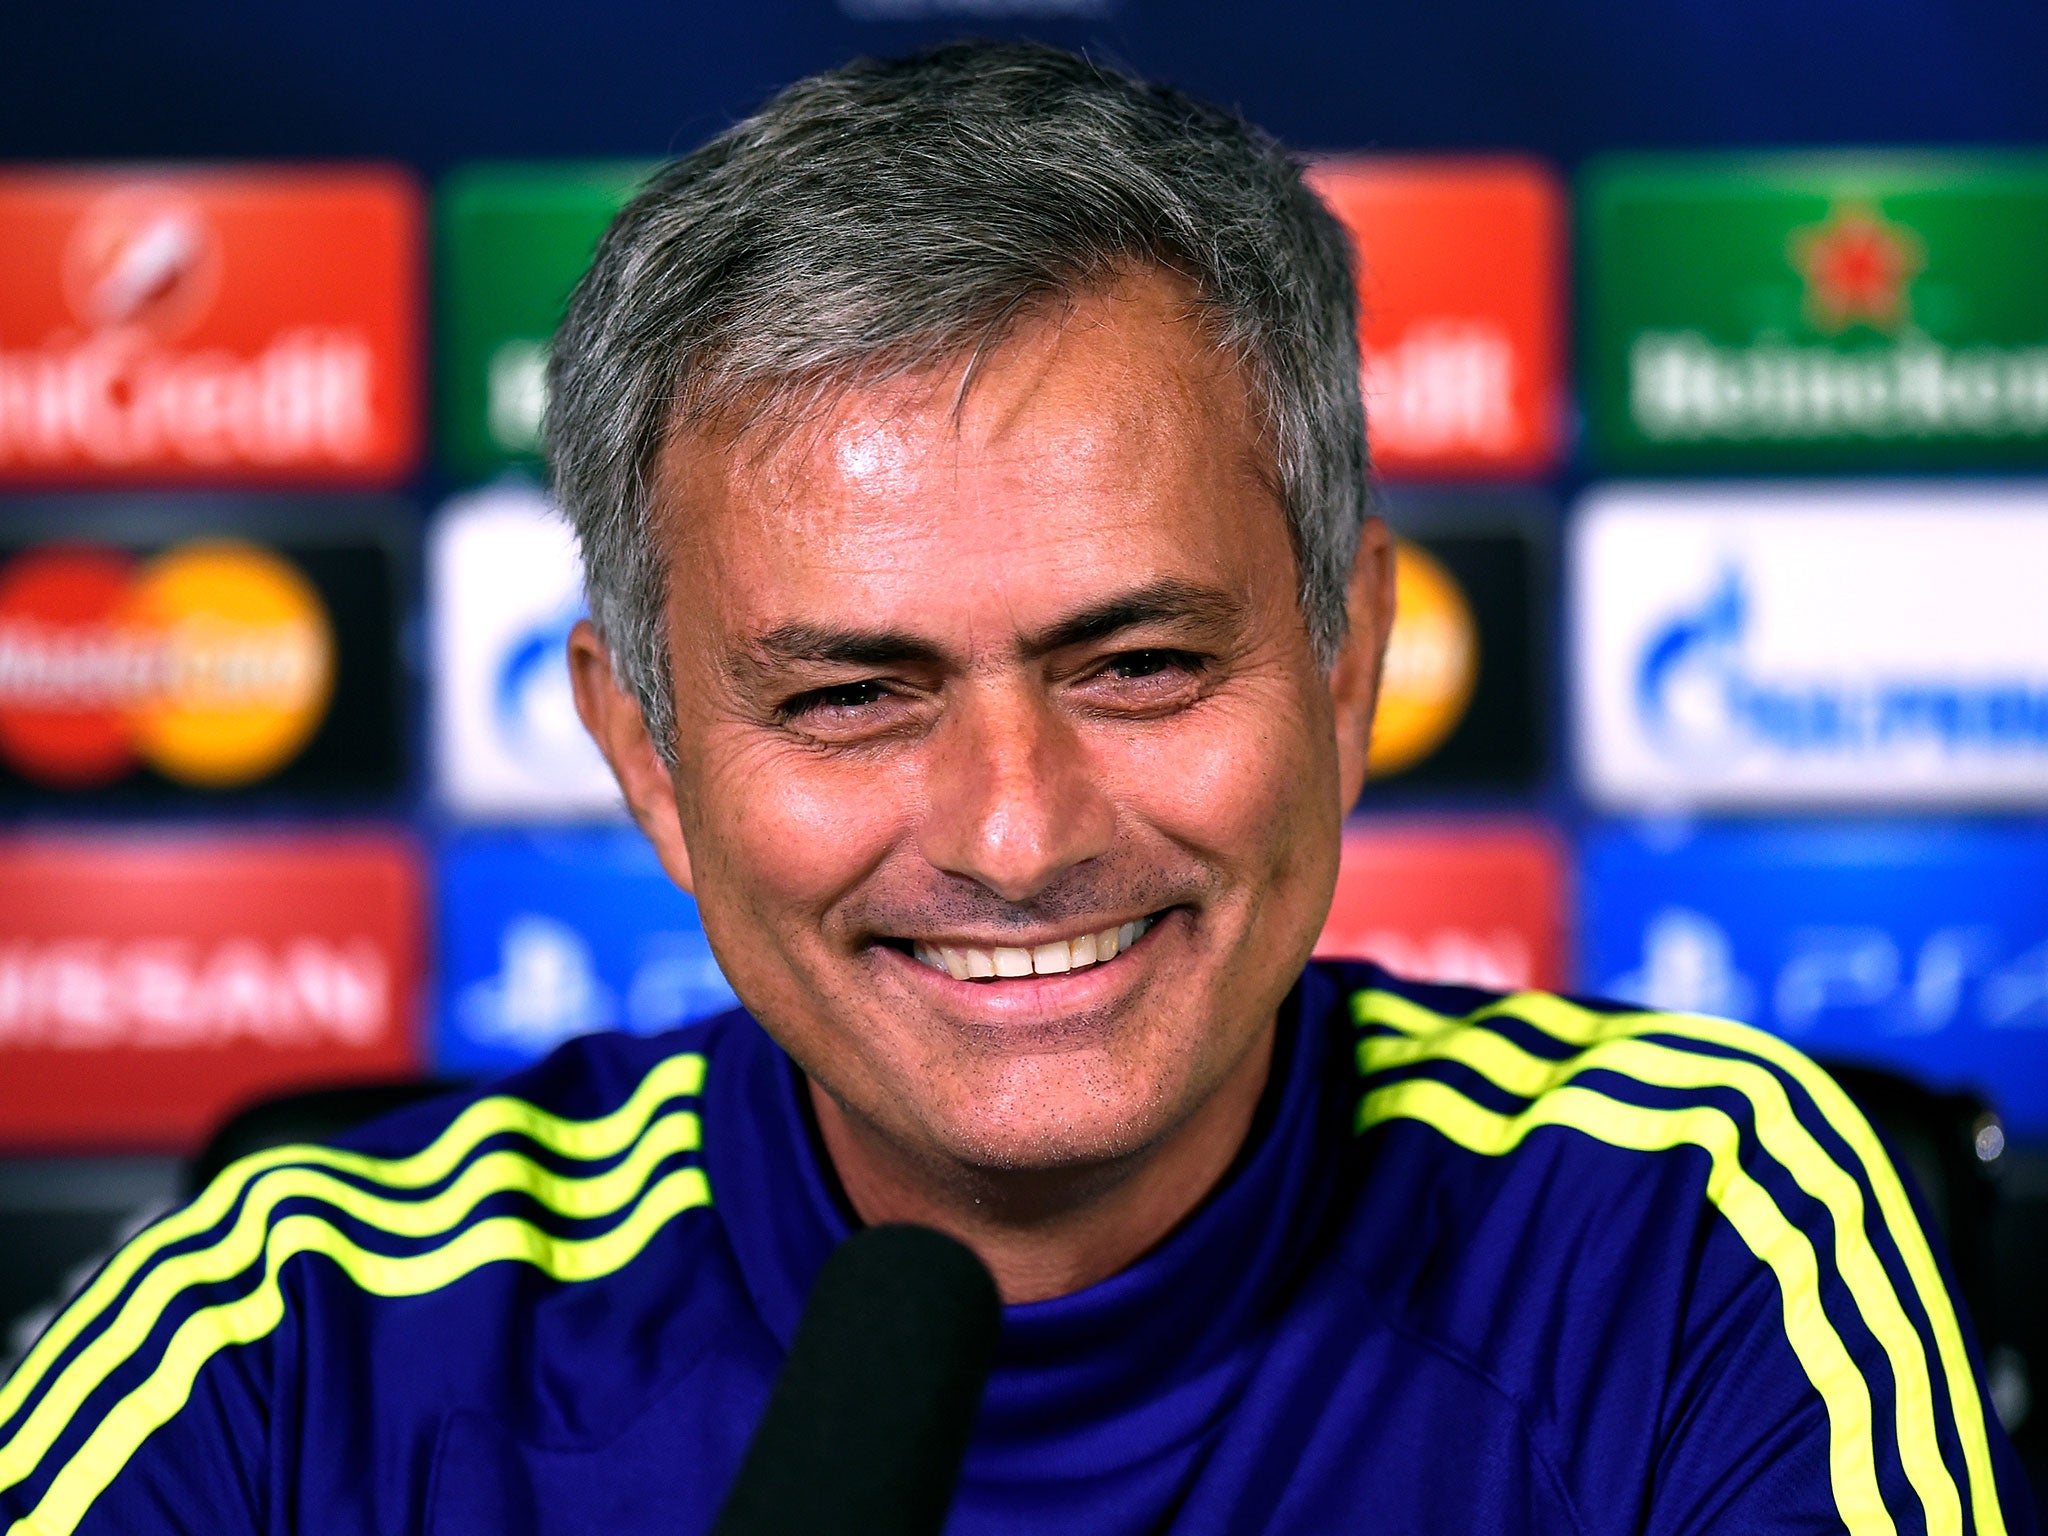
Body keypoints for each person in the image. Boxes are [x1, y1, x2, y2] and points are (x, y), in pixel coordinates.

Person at [0, 40, 2032, 1536]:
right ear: (646, 754)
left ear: (1346, 664)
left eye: (1137, 664)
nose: (1013, 828)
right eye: (852, 697)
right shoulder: (283, 1346)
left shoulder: (1687, 1244)